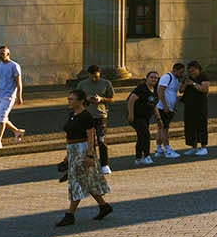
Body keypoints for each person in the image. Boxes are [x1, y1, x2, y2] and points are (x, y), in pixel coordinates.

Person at [54, 88, 113, 227]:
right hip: (73, 150)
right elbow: (69, 137)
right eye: (69, 99)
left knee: (76, 182)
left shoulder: (86, 116)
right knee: (87, 181)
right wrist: (67, 157)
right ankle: (104, 206)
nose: (69, 101)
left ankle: (70, 215)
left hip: (83, 150)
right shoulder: (72, 114)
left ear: (80, 101)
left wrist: (90, 155)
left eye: (72, 99)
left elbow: (91, 136)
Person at [0, 44, 26, 149]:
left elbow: (19, 82)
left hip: (9, 96)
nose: (0, 55)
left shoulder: (14, 66)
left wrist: (19, 96)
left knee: (1, 118)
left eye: (3, 53)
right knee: (0, 119)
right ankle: (17, 131)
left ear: (8, 54)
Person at [78, 65, 115, 171]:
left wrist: (101, 99)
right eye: (92, 76)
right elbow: (76, 98)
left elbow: (112, 99)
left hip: (100, 115)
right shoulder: (82, 84)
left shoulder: (106, 83)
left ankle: (105, 164)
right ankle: (92, 164)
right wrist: (87, 98)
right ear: (88, 74)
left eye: (96, 77)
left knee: (101, 139)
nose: (94, 79)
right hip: (86, 115)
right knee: (90, 142)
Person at [180, 62, 211, 157]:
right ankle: (193, 147)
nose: (191, 72)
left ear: (198, 69)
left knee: (201, 125)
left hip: (200, 106)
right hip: (189, 106)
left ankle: (204, 147)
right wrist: (185, 84)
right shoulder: (187, 78)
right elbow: (180, 90)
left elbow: (204, 89)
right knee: (190, 126)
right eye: (189, 70)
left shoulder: (203, 77)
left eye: (193, 70)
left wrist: (193, 83)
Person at [127, 74, 159, 165]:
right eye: (151, 77)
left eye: (156, 78)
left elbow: (154, 105)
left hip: (146, 117)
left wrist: (158, 118)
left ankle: (138, 158)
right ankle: (147, 156)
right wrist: (131, 114)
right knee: (145, 134)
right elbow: (131, 99)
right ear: (147, 79)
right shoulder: (141, 88)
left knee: (141, 136)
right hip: (137, 116)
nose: (154, 79)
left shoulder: (155, 90)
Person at [153, 62, 181, 159]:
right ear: (175, 70)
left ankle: (158, 148)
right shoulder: (167, 77)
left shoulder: (176, 80)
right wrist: (165, 105)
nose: (181, 74)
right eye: (180, 72)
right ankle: (168, 149)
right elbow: (160, 91)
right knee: (164, 129)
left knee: (161, 128)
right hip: (162, 107)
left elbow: (174, 93)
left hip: (169, 108)